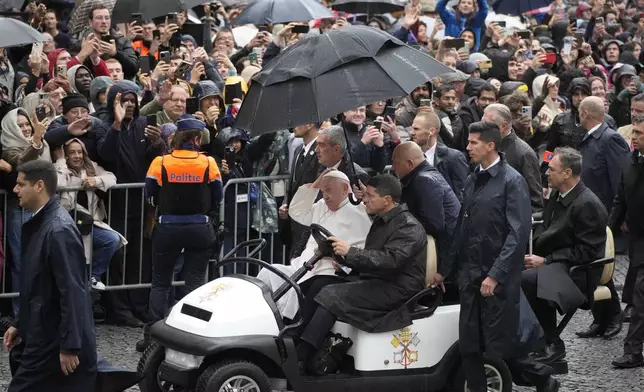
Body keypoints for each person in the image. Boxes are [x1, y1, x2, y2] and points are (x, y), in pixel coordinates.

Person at [434, 121, 559, 392]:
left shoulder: (513, 182)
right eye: (468, 142)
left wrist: (495, 274)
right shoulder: (472, 178)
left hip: (497, 280)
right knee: (469, 344)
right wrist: (444, 270)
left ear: (490, 145)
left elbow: (518, 234)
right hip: (470, 275)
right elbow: (461, 229)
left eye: (473, 142)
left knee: (500, 343)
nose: (467, 147)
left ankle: (543, 378)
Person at [296, 175, 427, 373]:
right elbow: (375, 259)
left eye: (370, 196)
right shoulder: (383, 221)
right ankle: (296, 337)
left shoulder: (408, 226)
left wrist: (351, 252)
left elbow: (390, 261)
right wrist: (345, 261)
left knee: (331, 295)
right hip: (381, 280)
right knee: (319, 284)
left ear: (387, 200)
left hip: (398, 288)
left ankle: (302, 356)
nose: (364, 199)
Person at [4, 160, 97, 391]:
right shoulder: (42, 224)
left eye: (20, 184)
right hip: (42, 333)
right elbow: (36, 286)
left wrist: (70, 346)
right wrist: (20, 324)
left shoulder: (58, 230)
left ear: (39, 186)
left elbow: (73, 291)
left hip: (52, 340)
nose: (15, 190)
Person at [137, 115, 223, 351]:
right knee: (195, 281)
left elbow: (150, 193)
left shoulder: (161, 162)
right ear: (196, 139)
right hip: (199, 227)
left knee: (161, 282)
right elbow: (218, 195)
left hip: (168, 227)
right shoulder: (209, 163)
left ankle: (151, 336)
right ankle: (192, 334)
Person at [522, 147, 608, 364]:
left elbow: (587, 252)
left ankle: (552, 342)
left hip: (579, 272)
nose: (546, 174)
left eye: (551, 169)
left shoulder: (587, 203)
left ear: (567, 173)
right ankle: (531, 337)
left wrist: (545, 261)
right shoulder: (560, 194)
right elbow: (551, 223)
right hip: (559, 263)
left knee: (528, 280)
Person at [257, 170, 372, 321]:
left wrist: (345, 265)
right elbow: (296, 211)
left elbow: (361, 250)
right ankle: (262, 318)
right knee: (268, 272)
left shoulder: (359, 213)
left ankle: (288, 324)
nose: (325, 195)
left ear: (345, 189)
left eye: (329, 190)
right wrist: (316, 184)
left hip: (328, 271)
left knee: (296, 287)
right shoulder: (321, 205)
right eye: (323, 191)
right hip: (303, 265)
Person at [576, 96, 630, 339]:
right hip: (587, 215)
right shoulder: (588, 139)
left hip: (604, 216)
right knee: (592, 268)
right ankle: (601, 318)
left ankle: (613, 314)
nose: (577, 114)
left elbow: (622, 180)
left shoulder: (610, 139)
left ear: (586, 113)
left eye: (579, 111)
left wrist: (620, 217)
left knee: (601, 269)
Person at [610, 115, 644, 369]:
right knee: (639, 298)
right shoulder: (631, 163)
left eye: (640, 134)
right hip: (639, 243)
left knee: (640, 297)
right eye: (634, 133)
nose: (634, 138)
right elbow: (620, 201)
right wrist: (607, 232)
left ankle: (633, 352)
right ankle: (633, 352)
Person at [391, 142, 460, 266]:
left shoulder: (424, 180)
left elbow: (434, 225)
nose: (393, 168)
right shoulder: (423, 177)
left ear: (410, 164)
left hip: (443, 255)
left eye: (395, 163)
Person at [483, 104, 543, 213]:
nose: (482, 128)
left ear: (503, 126)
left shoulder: (524, 154)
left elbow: (535, 201)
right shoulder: (485, 146)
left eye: (487, 125)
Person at [409, 111, 469, 201]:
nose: (412, 133)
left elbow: (462, 193)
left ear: (432, 131)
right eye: (412, 128)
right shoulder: (408, 156)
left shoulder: (454, 158)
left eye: (416, 129)